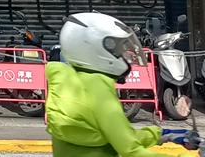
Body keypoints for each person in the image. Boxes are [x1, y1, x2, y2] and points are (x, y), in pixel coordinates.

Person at [46, 12, 193, 157]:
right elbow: (131, 151)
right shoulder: (99, 91)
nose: (126, 56)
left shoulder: (68, 84)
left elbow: (118, 135)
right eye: (118, 50)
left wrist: (163, 135)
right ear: (97, 51)